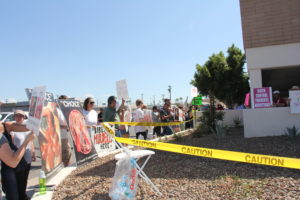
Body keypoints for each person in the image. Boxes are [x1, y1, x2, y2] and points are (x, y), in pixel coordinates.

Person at [0, 122, 35, 200]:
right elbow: (12, 162)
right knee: (13, 197)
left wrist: (35, 124)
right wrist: (26, 141)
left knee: (22, 193)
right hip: (8, 166)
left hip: (20, 163)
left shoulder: (5, 125)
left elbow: (26, 127)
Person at [10, 110, 36, 199]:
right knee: (18, 178)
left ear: (24, 117)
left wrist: (33, 152)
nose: (19, 117)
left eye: (21, 115)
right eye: (17, 115)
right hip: (17, 157)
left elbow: (31, 141)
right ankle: (19, 196)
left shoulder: (27, 127)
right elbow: (11, 142)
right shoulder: (12, 127)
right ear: (14, 117)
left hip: (27, 155)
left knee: (24, 177)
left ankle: (23, 195)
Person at [58, 95, 72, 167]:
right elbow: (52, 124)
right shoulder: (57, 110)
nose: (67, 102)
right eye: (65, 100)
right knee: (66, 151)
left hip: (64, 135)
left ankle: (66, 164)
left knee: (68, 150)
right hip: (60, 136)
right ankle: (65, 165)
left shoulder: (65, 111)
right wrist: (63, 126)